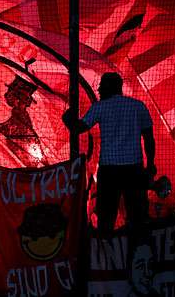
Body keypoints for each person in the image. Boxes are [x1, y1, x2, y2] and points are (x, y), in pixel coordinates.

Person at [63, 72, 156, 233]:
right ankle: (138, 251)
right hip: (134, 169)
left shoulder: (100, 107)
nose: (98, 90)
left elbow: (79, 128)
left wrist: (68, 118)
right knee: (137, 215)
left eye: (101, 87)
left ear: (108, 87)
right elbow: (149, 138)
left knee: (106, 217)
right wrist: (150, 164)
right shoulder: (138, 106)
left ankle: (106, 251)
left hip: (109, 170)